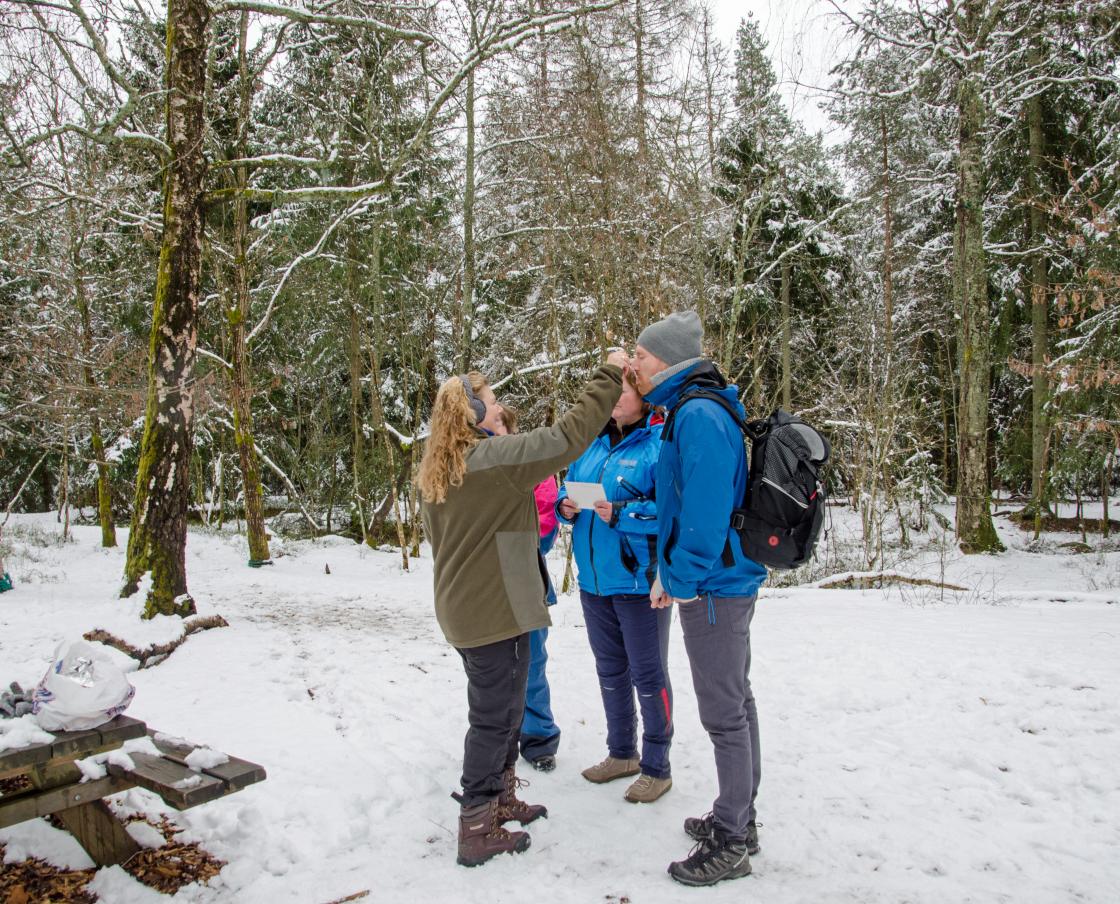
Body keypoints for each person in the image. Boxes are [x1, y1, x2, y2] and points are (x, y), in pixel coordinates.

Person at [418, 354, 626, 867]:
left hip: (472, 609)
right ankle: (475, 823)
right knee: (493, 719)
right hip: (491, 613)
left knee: (507, 712)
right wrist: (608, 375)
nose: (497, 407)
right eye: (488, 401)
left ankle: (501, 794)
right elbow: (567, 438)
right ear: (471, 414)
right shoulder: (495, 461)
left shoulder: (445, 468)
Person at [630, 310, 768, 887]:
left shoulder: (700, 415)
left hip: (714, 585)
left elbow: (706, 520)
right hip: (715, 582)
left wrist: (677, 578)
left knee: (723, 713)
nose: (631, 362)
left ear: (664, 360)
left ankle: (733, 839)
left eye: (637, 354)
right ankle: (740, 818)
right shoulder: (687, 410)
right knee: (736, 701)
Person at [556, 372, 672, 804]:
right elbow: (566, 492)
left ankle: (658, 767)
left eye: (622, 392)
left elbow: (671, 510)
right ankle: (622, 752)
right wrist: (564, 507)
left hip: (639, 582)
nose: (613, 399)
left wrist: (622, 512)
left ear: (644, 399)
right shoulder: (589, 443)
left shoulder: (659, 445)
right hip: (594, 581)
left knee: (649, 673)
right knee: (610, 672)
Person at [495, 405, 562, 772]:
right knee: (493, 668)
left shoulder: (530, 465)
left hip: (525, 578)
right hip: (485, 586)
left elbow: (547, 520)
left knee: (532, 662)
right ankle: (498, 735)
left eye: (501, 427)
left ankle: (538, 739)